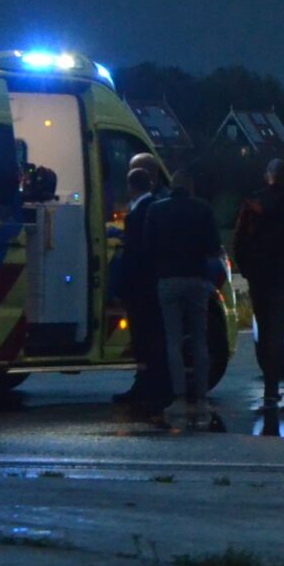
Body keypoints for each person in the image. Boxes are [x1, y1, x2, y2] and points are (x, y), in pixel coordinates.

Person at [229, 157, 284, 427]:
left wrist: (244, 267)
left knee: (264, 325)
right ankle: (272, 384)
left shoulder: (253, 203)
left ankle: (268, 376)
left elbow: (239, 238)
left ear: (268, 176)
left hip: (260, 273)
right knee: (279, 328)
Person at [146, 167, 228, 433]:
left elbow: (148, 247)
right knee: (200, 338)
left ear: (172, 186)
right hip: (196, 279)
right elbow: (214, 247)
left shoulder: (156, 210)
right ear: (190, 187)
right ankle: (202, 396)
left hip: (168, 279)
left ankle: (178, 396)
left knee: (173, 339)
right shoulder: (202, 210)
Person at [109, 152, 172, 413]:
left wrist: (120, 287)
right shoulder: (155, 207)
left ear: (131, 187)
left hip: (140, 288)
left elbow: (134, 255)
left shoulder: (140, 213)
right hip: (151, 285)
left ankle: (149, 388)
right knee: (149, 338)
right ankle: (147, 386)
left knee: (145, 339)